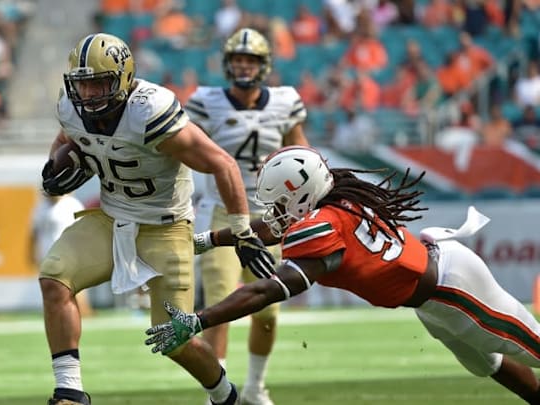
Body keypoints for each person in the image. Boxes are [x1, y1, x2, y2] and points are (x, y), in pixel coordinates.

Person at [146, 146, 540, 405]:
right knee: (487, 363)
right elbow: (269, 229)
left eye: (281, 202)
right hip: (431, 294)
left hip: (452, 287)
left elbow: (267, 290)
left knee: (532, 349)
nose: (275, 212)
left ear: (302, 194)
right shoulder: (333, 201)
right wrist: (207, 239)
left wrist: (200, 319)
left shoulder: (320, 226)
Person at [39, 32, 274, 405]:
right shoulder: (71, 106)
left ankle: (225, 396)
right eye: (83, 85)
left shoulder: (149, 111)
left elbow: (222, 163)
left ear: (124, 78)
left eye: (100, 83)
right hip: (111, 218)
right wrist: (57, 164)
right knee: (54, 277)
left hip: (165, 227)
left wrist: (243, 231)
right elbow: (68, 136)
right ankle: (69, 390)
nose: (90, 95)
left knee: (173, 337)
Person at [184, 27, 308, 405]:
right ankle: (217, 393)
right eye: (237, 59)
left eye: (249, 60)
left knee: (268, 309)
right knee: (220, 306)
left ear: (264, 65)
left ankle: (255, 387)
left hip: (270, 218)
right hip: (222, 213)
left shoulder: (285, 102)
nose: (242, 66)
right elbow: (184, 146)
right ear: (226, 64)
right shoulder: (206, 102)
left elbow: (300, 150)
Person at [29, 192, 93, 317]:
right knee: (54, 287)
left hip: (69, 252)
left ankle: (83, 312)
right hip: (48, 254)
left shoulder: (72, 204)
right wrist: (31, 253)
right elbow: (34, 233)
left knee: (74, 285)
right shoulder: (40, 207)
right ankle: (61, 314)